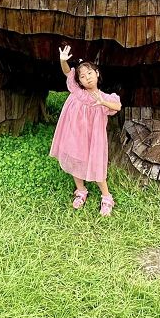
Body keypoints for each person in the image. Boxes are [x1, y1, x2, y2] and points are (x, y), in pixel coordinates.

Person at [49, 45, 122, 216]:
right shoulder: (77, 92)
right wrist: (63, 61)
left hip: (94, 138)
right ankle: (81, 190)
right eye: (82, 76)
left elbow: (117, 106)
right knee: (76, 160)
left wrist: (103, 102)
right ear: (79, 81)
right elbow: (68, 72)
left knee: (96, 164)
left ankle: (106, 196)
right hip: (75, 135)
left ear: (97, 74)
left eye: (90, 73)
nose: (87, 78)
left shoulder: (105, 97)